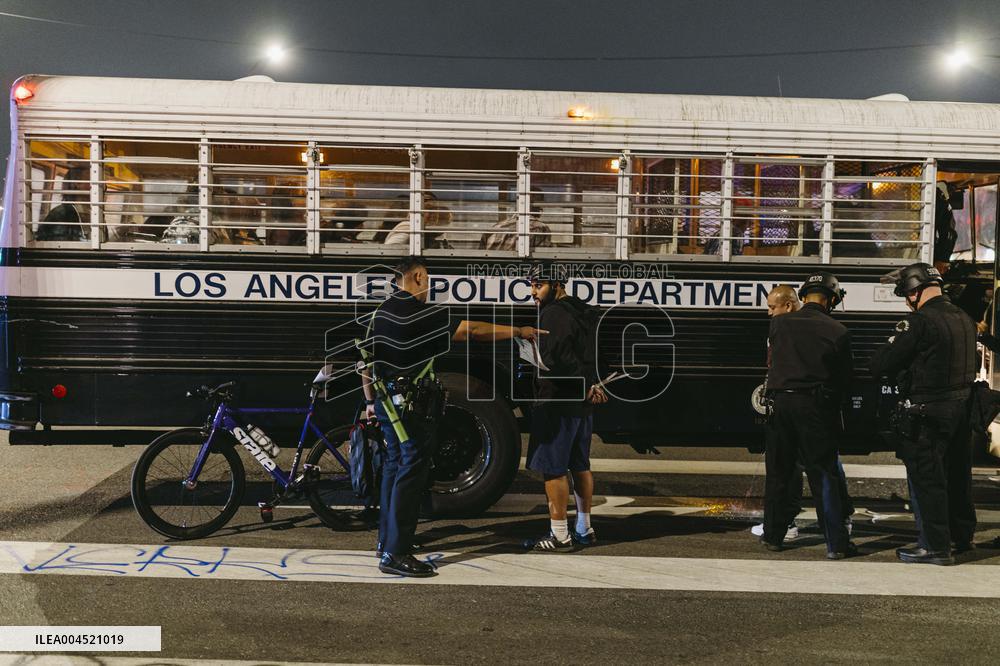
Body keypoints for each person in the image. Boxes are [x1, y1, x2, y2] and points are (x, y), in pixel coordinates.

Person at [360, 256, 544, 577]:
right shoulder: (416, 313)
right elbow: (471, 331)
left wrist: (371, 402)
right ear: (416, 276)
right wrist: (519, 330)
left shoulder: (381, 312)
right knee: (410, 472)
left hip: (388, 402)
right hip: (411, 408)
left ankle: (386, 540)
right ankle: (395, 553)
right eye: (428, 279)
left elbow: (365, 361)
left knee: (393, 468)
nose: (429, 287)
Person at [871, 262, 977, 565]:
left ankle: (934, 546)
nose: (907, 300)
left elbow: (881, 364)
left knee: (928, 479)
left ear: (915, 291)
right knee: (957, 475)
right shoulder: (964, 318)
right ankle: (961, 537)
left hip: (927, 412)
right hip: (962, 408)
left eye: (906, 294)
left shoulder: (918, 322)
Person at [763, 272, 857, 559]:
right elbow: (845, 378)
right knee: (823, 473)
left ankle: (774, 536)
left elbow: (772, 362)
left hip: (780, 405)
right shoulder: (838, 331)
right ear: (830, 299)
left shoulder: (778, 325)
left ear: (803, 297)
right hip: (815, 407)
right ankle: (836, 544)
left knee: (779, 472)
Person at [523, 262, 608, 552]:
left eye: (539, 285)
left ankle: (558, 534)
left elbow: (556, 358)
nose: (533, 292)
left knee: (553, 468)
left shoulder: (553, 314)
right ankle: (584, 528)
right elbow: (589, 356)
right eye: (532, 285)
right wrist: (591, 384)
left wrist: (532, 354)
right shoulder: (583, 311)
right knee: (580, 465)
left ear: (557, 285)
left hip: (557, 400)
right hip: (580, 404)